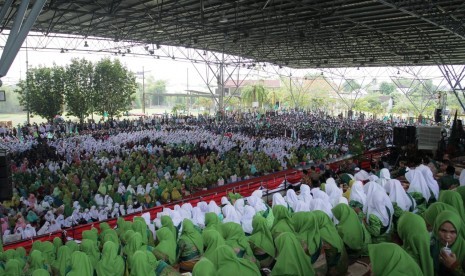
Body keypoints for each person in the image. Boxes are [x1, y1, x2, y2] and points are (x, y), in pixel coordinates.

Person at [431, 210, 465, 275]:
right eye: (443, 230)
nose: (447, 236)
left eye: (452, 232)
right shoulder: (430, 244)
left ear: (458, 232)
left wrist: (454, 265)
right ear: (436, 229)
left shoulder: (463, 249)